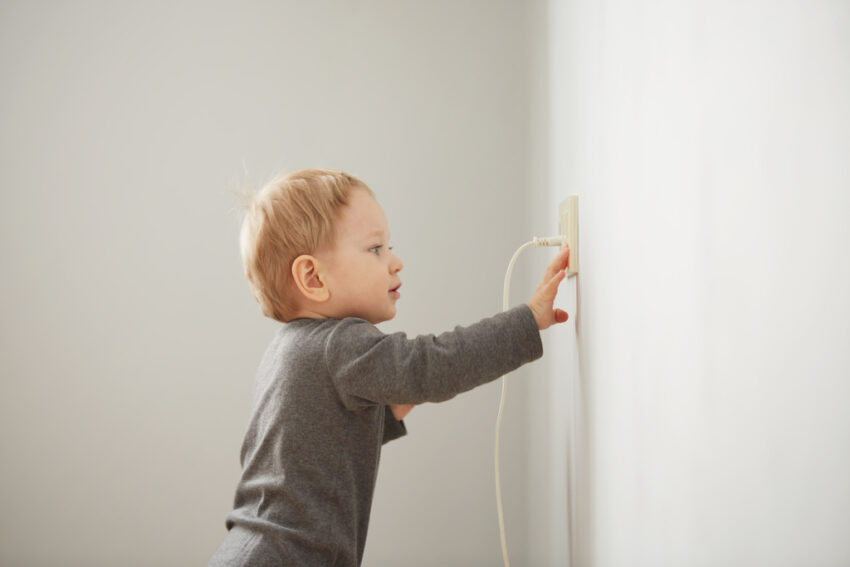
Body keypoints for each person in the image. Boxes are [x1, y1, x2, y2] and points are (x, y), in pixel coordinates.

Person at [208, 168, 570, 566]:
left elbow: (322, 444)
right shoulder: (339, 343)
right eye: (375, 249)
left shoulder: (286, 350)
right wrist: (527, 319)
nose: (395, 261)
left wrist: (398, 400)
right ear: (312, 277)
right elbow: (432, 365)